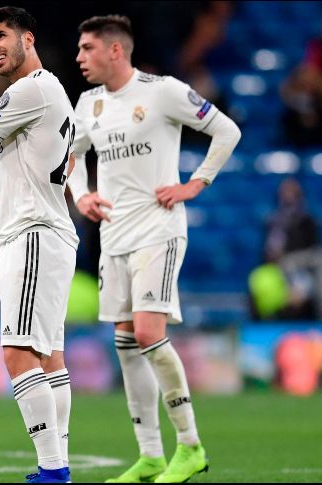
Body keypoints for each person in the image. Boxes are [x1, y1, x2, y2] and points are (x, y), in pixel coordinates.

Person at [66, 15, 241, 483]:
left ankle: (191, 446)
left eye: (86, 49)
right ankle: (150, 456)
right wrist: (81, 194)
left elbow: (227, 131)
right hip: (114, 236)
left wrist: (195, 183)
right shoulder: (89, 104)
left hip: (158, 232)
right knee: (126, 343)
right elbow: (72, 155)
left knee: (146, 334)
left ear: (114, 51)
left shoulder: (162, 92)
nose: (79, 58)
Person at [0, 6, 78, 483]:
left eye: (1, 35)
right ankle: (57, 463)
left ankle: (53, 470)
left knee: (17, 352)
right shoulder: (54, 91)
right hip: (50, 231)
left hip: (32, 232)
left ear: (29, 38)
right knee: (50, 356)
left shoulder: (30, 90)